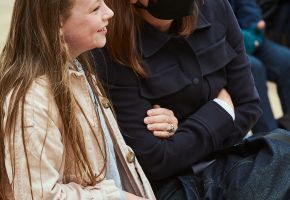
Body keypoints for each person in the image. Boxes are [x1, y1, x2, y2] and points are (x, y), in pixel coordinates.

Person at [92, 0, 282, 199]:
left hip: (231, 157)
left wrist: (178, 133)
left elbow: (248, 106)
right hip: (176, 184)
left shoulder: (215, 7)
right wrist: (222, 109)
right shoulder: (111, 44)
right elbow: (155, 160)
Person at [0, 0, 179, 199]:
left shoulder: (79, 67)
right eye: (95, 8)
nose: (109, 12)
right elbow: (39, 196)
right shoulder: (32, 100)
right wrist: (118, 197)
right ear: (58, 22)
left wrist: (167, 122)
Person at [229, 0, 290, 132]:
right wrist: (243, 37)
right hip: (224, 45)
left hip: (251, 37)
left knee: (286, 61)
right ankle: (271, 139)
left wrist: (253, 30)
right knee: (254, 69)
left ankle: (286, 133)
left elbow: (250, 9)